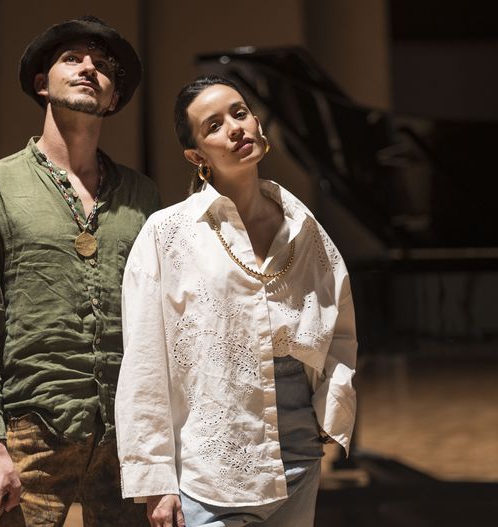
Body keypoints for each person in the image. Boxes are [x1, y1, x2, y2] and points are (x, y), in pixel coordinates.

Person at [115, 76, 358, 527]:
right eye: (213, 125)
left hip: (297, 444)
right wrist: (155, 480)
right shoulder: (168, 234)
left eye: (240, 112)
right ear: (196, 156)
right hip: (212, 455)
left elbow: (339, 323)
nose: (235, 128)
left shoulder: (303, 226)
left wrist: (332, 408)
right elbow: (145, 361)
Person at [0, 15, 160, 527]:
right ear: (42, 83)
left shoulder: (143, 197)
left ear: (112, 98)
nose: (90, 68)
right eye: (73, 58)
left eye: (104, 66)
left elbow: (162, 326)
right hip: (31, 436)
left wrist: (161, 458)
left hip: (125, 440)